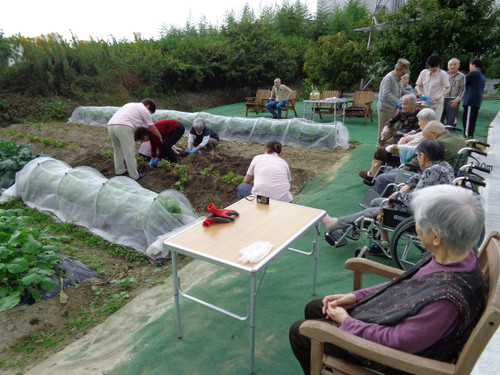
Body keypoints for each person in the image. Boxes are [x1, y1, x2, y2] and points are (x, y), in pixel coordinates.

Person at [290, 184, 487, 375]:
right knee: (315, 307)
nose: (414, 224)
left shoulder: (447, 301)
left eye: (418, 221)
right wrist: (356, 297)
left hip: (399, 356)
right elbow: (408, 283)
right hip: (395, 319)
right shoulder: (456, 254)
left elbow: (396, 343)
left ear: (436, 237)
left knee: (301, 333)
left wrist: (346, 322)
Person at [323, 139, 454, 242]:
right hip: (435, 211)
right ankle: (383, 239)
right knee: (375, 201)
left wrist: (397, 196)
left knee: (373, 210)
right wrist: (406, 187)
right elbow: (420, 176)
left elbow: (416, 200)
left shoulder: (432, 171)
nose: (418, 159)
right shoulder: (444, 166)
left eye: (418, 156)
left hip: (421, 215)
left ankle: (334, 224)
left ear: (424, 156)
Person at [373, 121, 465, 195]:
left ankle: (382, 209)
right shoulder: (460, 139)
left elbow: (419, 161)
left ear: (433, 134)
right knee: (393, 172)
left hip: (428, 175)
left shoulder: (437, 144)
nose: (425, 140)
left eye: (426, 138)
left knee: (382, 179)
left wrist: (403, 169)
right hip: (448, 173)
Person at [359, 107, 437, 182]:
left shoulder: (428, 133)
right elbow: (416, 135)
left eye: (419, 121)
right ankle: (377, 172)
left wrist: (398, 146)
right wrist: (404, 138)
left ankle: (372, 175)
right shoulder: (430, 129)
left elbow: (414, 148)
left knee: (380, 151)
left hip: (410, 153)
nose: (418, 123)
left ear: (426, 121)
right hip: (404, 141)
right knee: (386, 147)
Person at [107, 98, 157, 181]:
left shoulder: (130, 105)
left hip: (111, 125)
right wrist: (159, 136)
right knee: (129, 152)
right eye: (150, 112)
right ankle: (134, 176)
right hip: (124, 126)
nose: (149, 114)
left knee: (117, 150)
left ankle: (120, 171)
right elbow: (152, 127)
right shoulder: (144, 109)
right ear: (148, 106)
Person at [376, 58, 411, 147]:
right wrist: (398, 102)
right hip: (385, 109)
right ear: (398, 69)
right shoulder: (389, 78)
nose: (404, 74)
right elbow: (386, 94)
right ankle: (379, 150)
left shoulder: (399, 79)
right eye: (403, 72)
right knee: (384, 131)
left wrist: (414, 94)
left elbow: (401, 91)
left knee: (391, 131)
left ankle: (387, 150)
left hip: (393, 109)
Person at [416, 55, 450, 120]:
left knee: (435, 122)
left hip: (437, 103)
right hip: (425, 102)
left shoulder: (443, 74)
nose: (432, 70)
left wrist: (440, 95)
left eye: (435, 68)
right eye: (431, 68)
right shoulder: (423, 72)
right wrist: (421, 94)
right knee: (423, 121)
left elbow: (448, 88)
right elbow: (418, 85)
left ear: (439, 65)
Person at [462, 59, 486, 138]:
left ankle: (468, 139)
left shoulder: (474, 73)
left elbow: (462, 81)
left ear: (473, 65)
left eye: (470, 65)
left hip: (470, 100)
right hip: (476, 101)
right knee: (470, 120)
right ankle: (469, 138)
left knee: (468, 121)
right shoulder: (481, 73)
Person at [441, 58, 466, 126]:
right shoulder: (444, 75)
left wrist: (457, 100)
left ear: (458, 66)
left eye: (454, 64)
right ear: (447, 66)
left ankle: (450, 133)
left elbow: (463, 89)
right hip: (442, 99)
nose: (452, 66)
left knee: (450, 120)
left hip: (453, 100)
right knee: (440, 118)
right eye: (450, 65)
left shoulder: (461, 76)